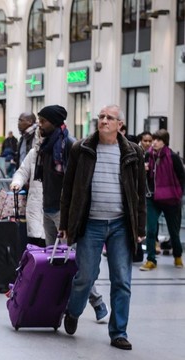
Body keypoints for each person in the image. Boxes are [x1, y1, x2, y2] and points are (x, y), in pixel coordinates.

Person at [60, 105, 146, 350]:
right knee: (85, 277)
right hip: (90, 223)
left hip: (121, 224)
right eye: (101, 117)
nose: (104, 121)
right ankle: (73, 311)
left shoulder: (133, 151)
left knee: (122, 280)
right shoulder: (82, 149)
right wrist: (65, 224)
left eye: (110, 118)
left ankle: (118, 332)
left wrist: (140, 227)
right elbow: (69, 189)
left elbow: (140, 192)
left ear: (120, 124)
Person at [11, 105, 108, 321]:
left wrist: (74, 213)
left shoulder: (69, 145)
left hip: (66, 214)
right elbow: (25, 169)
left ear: (54, 123)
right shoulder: (42, 147)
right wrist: (17, 182)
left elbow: (80, 181)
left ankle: (97, 302)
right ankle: (58, 303)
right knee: (54, 262)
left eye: (43, 121)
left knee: (74, 262)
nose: (40, 125)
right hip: (47, 209)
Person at [139, 129, 184, 271]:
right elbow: (142, 177)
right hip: (153, 198)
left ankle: (177, 255)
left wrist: (179, 194)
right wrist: (143, 170)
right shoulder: (148, 155)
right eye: (154, 139)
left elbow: (182, 177)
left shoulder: (173, 157)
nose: (154, 142)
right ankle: (150, 259)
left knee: (173, 231)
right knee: (151, 230)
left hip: (171, 199)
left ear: (165, 142)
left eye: (158, 140)